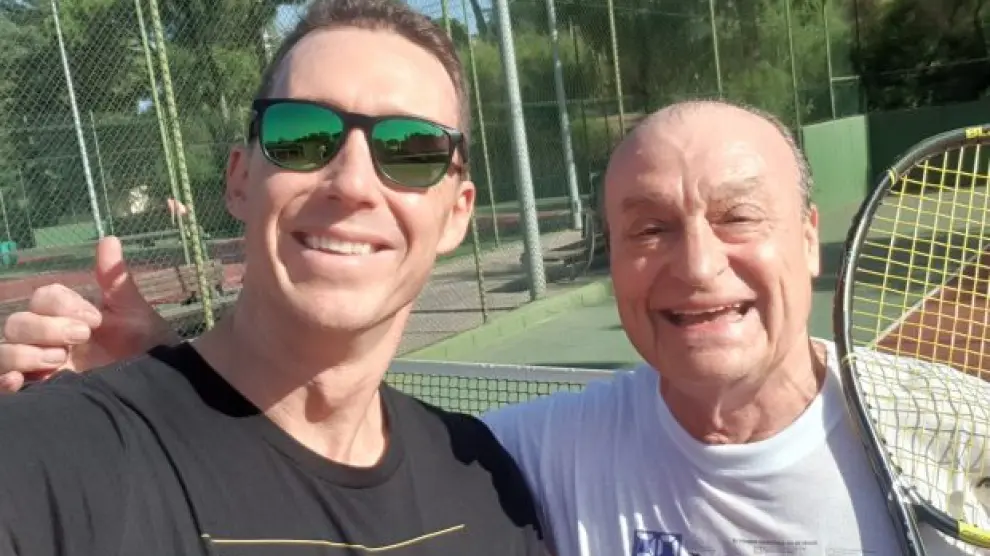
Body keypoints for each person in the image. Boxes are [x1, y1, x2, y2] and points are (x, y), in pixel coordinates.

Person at [3, 100, 987, 555]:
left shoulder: (957, 431)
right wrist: (171, 375)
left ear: (808, 238)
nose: (695, 265)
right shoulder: (527, 456)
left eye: (737, 218)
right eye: (648, 229)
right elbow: (328, 438)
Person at [0, 0, 551, 554]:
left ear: (456, 213)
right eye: (303, 134)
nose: (352, 183)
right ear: (240, 180)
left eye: (411, 149)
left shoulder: (486, 483)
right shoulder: (53, 460)